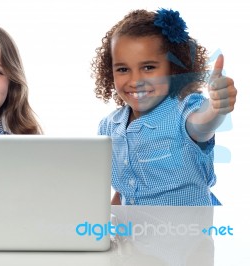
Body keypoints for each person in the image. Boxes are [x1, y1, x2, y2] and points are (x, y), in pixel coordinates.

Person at [91, 9, 237, 205]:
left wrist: (216, 109)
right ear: (111, 72)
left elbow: (202, 125)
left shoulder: (183, 111)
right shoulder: (108, 127)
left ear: (173, 68)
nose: (135, 81)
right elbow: (124, 191)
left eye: (149, 67)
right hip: (133, 233)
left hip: (186, 232)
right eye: (123, 69)